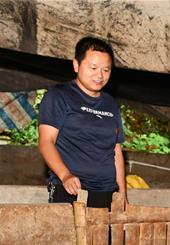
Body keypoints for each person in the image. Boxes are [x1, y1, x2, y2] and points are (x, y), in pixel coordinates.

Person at [38, 37, 126, 209]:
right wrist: (65, 175)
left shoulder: (111, 104)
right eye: (93, 68)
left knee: (105, 237)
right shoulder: (58, 96)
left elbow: (116, 150)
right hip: (71, 190)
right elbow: (46, 141)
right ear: (76, 65)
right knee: (73, 236)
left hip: (107, 191)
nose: (100, 75)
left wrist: (122, 194)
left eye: (106, 70)